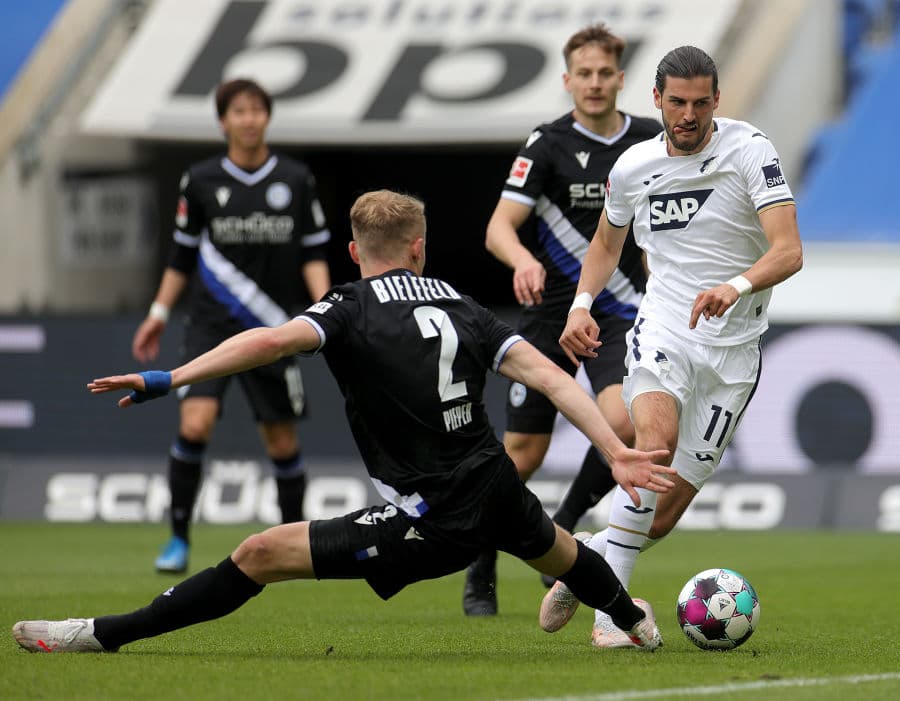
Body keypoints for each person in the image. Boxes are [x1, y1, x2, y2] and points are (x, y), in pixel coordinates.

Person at [12, 190, 675, 655]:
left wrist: (170, 377)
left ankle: (103, 632)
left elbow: (268, 342)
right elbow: (552, 375)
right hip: (495, 485)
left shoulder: (347, 306)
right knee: (561, 551)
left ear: (355, 253)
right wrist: (614, 450)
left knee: (257, 553)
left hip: (431, 512)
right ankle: (633, 622)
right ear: (420, 247)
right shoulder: (463, 304)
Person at [544, 45, 803, 648]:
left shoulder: (748, 151)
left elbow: (788, 249)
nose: (688, 115)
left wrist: (733, 287)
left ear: (717, 100)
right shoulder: (633, 167)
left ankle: (591, 560)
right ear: (657, 100)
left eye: (700, 102)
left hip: (734, 350)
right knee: (651, 450)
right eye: (677, 102)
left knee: (659, 515)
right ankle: (615, 620)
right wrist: (580, 305)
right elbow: (608, 244)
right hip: (663, 326)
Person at [463, 23, 663, 616]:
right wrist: (522, 258)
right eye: (585, 73)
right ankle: (481, 564)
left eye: (606, 73)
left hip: (622, 312)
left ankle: (567, 526)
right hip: (550, 317)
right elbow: (498, 228)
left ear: (621, 79)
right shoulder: (546, 144)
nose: (595, 83)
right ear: (567, 79)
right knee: (521, 452)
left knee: (622, 423)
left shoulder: (650, 140)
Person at [131, 78, 332, 574]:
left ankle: (294, 549)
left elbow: (312, 252)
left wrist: (326, 308)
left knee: (281, 441)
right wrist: (158, 314)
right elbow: (181, 255)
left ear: (267, 117)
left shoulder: (295, 178)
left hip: (273, 328)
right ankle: (177, 539)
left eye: (256, 110)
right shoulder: (199, 181)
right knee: (193, 423)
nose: (248, 119)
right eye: (238, 111)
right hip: (211, 327)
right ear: (223, 121)